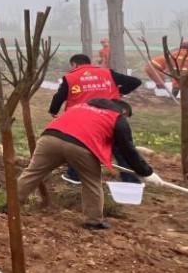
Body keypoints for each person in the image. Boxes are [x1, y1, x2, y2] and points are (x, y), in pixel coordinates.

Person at [16, 98, 163, 230]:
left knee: (33, 172)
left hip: (50, 138)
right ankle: (93, 221)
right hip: (81, 147)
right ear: (123, 111)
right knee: (91, 182)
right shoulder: (117, 118)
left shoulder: (82, 106)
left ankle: (12, 205)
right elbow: (128, 150)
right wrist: (146, 172)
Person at [48, 53, 141, 185]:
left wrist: (53, 111)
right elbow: (135, 82)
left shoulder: (71, 77)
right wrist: (121, 92)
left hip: (84, 118)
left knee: (83, 144)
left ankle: (74, 175)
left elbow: (59, 97)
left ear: (74, 64)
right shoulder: (107, 73)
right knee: (121, 147)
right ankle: (131, 180)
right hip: (112, 116)